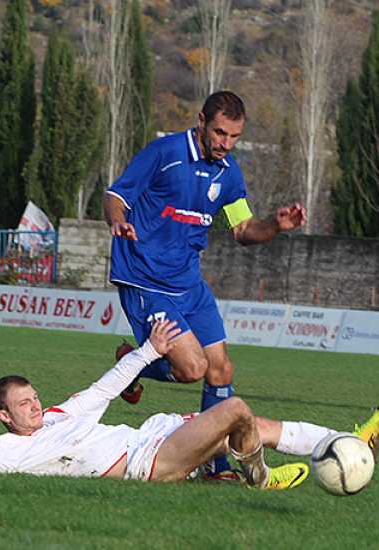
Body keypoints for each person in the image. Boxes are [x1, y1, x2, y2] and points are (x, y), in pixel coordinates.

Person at [0, 321, 379, 489]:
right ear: (3, 416)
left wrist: (149, 352)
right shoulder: (10, 448)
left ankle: (339, 441)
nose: (35, 406)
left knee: (253, 425)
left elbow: (102, 389)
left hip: (152, 437)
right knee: (235, 410)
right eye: (24, 405)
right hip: (148, 462)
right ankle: (259, 478)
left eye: (34, 397)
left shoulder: (57, 416)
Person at [104, 91, 306, 479]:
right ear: (200, 121)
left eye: (233, 137)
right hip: (145, 277)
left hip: (188, 282)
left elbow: (244, 230)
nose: (224, 144)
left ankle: (215, 467)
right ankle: (132, 365)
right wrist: (117, 220)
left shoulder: (228, 174)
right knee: (193, 368)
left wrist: (276, 227)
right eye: (219, 133)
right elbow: (116, 195)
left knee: (221, 371)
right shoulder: (164, 153)